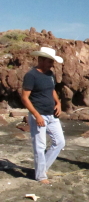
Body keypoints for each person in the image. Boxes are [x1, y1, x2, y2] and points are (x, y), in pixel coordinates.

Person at [21, 47, 65, 184]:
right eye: (49, 61)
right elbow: (25, 98)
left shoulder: (50, 74)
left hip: (52, 115)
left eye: (52, 61)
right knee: (40, 146)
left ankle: (42, 168)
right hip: (38, 115)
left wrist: (58, 103)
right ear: (40, 60)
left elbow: (52, 90)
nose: (52, 64)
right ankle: (40, 176)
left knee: (59, 142)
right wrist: (36, 115)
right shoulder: (31, 75)